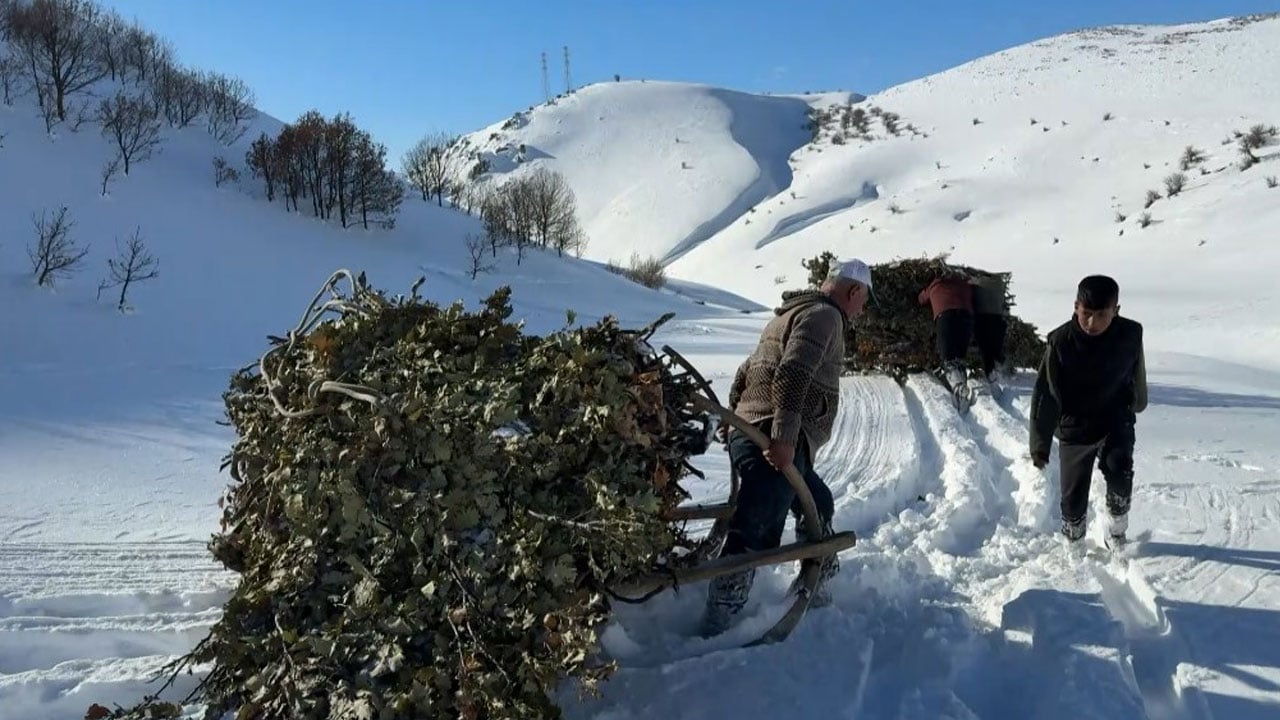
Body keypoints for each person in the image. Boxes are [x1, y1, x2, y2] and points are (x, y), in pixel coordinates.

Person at [700, 259, 872, 637]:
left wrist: (735, 420)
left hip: (757, 431)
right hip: (771, 436)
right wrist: (783, 436)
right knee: (756, 522)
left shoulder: (787, 315)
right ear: (854, 291)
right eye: (863, 301)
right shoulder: (824, 316)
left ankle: (819, 585)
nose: (861, 310)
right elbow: (794, 372)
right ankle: (719, 622)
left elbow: (746, 372)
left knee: (818, 502)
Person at [1029, 274, 1148, 548]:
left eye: (1102, 315)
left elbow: (1136, 371)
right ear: (1075, 307)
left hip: (1115, 418)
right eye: (1086, 313)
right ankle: (1074, 543)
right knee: (1073, 498)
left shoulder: (1131, 334)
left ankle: (1117, 528)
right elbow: (1044, 394)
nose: (1092, 323)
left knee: (1120, 470)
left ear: (1116, 311)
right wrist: (1039, 444)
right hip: (1074, 425)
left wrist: (1138, 402)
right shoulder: (1060, 342)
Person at [918, 269, 976, 406]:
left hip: (946, 317)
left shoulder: (935, 284)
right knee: (960, 357)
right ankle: (962, 382)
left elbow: (921, 299)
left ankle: (958, 389)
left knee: (948, 357)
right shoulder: (963, 282)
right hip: (966, 317)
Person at [970, 272, 1010, 386]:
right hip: (998, 318)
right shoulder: (999, 282)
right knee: (996, 346)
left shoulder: (977, 282)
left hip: (982, 318)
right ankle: (1000, 368)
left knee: (985, 349)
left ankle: (991, 373)